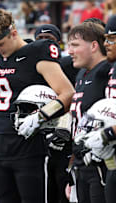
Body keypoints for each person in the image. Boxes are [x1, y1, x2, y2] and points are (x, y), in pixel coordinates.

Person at [0, 9, 74, 203]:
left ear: (13, 33)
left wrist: (41, 116)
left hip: (30, 148)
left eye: (0, 44)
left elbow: (68, 93)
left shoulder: (37, 51)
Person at [67, 22, 111, 203]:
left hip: (102, 163)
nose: (69, 51)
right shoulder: (82, 74)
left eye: (75, 45)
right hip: (81, 163)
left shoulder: (107, 71)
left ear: (94, 46)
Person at [34, 23, 74, 203]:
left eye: (48, 39)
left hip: (63, 136)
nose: (43, 44)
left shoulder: (69, 65)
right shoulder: (29, 67)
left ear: (58, 43)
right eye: (39, 39)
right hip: (37, 137)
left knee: (62, 188)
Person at [81, 14, 116, 203]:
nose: (107, 44)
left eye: (112, 38)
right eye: (105, 39)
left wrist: (107, 134)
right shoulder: (111, 68)